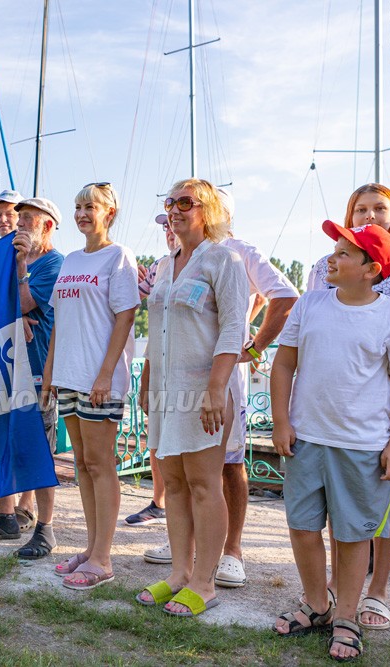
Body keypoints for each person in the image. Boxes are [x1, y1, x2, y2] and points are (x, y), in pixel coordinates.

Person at [271, 221, 390, 661]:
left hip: (363, 445)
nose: (330, 259)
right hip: (306, 439)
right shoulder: (310, 305)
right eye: (332, 251)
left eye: (342, 254)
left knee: (354, 535)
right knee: (301, 525)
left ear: (371, 269)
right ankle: (316, 602)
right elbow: (283, 367)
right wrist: (281, 421)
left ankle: (347, 617)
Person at [306, 183, 390, 627]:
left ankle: (387, 579)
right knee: (341, 493)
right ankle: (341, 580)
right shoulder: (323, 270)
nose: (369, 215)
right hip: (344, 407)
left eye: (378, 209)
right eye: (359, 209)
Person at [134, 180, 248, 617]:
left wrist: (216, 388)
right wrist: (147, 382)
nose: (176, 210)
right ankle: (180, 573)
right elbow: (158, 331)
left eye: (186, 202)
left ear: (209, 210)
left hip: (203, 390)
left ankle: (205, 580)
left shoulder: (224, 258)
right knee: (175, 485)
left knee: (205, 484)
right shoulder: (166, 264)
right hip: (166, 391)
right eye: (170, 202)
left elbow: (234, 328)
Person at [43, 182, 139, 590]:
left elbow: (125, 316)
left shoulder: (119, 257)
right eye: (78, 206)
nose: (83, 213)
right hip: (67, 374)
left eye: (91, 206)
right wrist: (49, 373)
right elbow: (60, 322)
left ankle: (103, 557)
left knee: (101, 465)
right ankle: (91, 546)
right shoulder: (70, 261)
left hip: (99, 378)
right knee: (82, 465)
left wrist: (104, 373)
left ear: (109, 212)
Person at [0, 197, 64, 558]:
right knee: (1, 445)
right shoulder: (7, 261)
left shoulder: (54, 263)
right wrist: (12, 314)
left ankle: (45, 528)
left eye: (27, 220)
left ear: (47, 226)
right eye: (17, 219)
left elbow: (23, 302)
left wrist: (21, 271)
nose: (19, 225)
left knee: (38, 452)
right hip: (3, 369)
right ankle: (6, 517)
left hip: (38, 371)